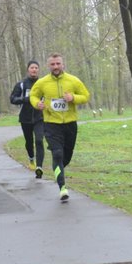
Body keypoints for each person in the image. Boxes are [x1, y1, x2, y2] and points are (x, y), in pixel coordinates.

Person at [30, 53, 90, 201]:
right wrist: (37, 103)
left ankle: (59, 168)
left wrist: (73, 98)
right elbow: (33, 95)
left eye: (58, 64)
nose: (55, 67)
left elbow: (86, 96)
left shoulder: (73, 80)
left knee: (66, 157)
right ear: (48, 66)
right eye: (52, 64)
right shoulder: (42, 82)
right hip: (51, 124)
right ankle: (62, 187)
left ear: (63, 64)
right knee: (57, 154)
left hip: (70, 124)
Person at [10, 61, 45, 178]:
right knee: (29, 142)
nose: (34, 70)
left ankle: (39, 167)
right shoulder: (21, 84)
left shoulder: (43, 83)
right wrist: (25, 99)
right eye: (32, 68)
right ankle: (31, 159)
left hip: (40, 117)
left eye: (36, 68)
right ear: (28, 70)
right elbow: (13, 99)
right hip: (25, 118)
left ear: (38, 70)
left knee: (39, 140)